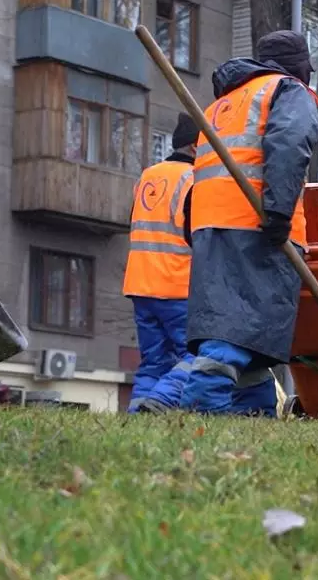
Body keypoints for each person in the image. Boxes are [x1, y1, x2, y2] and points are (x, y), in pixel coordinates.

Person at [178, 30, 318, 417]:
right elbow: (289, 146)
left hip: (212, 226)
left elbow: (201, 175)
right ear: (299, 66)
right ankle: (202, 406)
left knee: (251, 328)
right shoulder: (287, 92)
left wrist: (194, 227)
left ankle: (252, 416)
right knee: (240, 323)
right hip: (256, 224)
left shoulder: (223, 104)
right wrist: (279, 212)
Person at [123, 113, 197, 414]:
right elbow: (197, 235)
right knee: (197, 355)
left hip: (141, 285)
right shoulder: (195, 180)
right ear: (195, 147)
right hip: (178, 285)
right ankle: (163, 400)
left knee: (153, 361)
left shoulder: (147, 176)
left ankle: (138, 416)